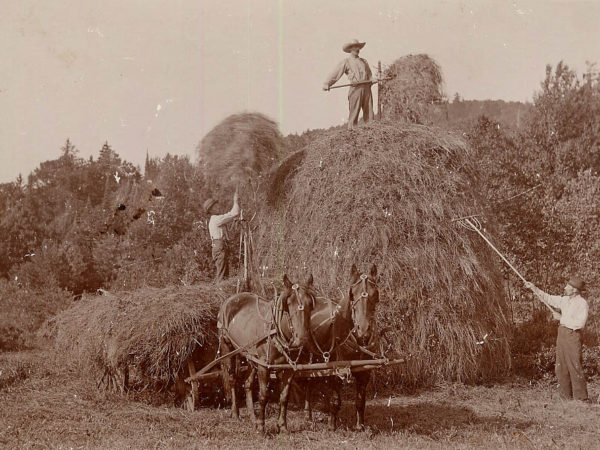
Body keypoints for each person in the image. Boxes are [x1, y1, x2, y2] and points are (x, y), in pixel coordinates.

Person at [524, 277, 590, 402]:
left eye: (568, 287)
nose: (565, 288)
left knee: (574, 364)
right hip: (562, 334)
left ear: (575, 290)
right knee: (561, 366)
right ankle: (565, 397)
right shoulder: (565, 300)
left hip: (573, 335)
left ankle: (581, 398)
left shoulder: (582, 304)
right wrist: (534, 288)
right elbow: (549, 298)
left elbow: (580, 324)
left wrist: (561, 318)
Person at [323, 39, 374, 130]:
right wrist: (327, 83)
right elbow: (336, 73)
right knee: (354, 113)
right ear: (350, 49)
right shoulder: (346, 62)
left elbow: (370, 75)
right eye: (354, 47)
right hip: (355, 89)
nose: (357, 49)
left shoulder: (364, 61)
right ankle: (352, 133)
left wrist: (373, 80)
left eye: (358, 47)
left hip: (367, 88)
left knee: (369, 113)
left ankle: (371, 133)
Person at [203, 191, 239, 282]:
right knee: (222, 274)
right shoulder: (216, 219)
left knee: (224, 273)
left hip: (219, 247)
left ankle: (222, 291)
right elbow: (234, 213)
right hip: (219, 247)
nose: (218, 207)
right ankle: (219, 292)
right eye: (215, 206)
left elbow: (231, 217)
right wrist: (235, 201)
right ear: (210, 210)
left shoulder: (216, 219)